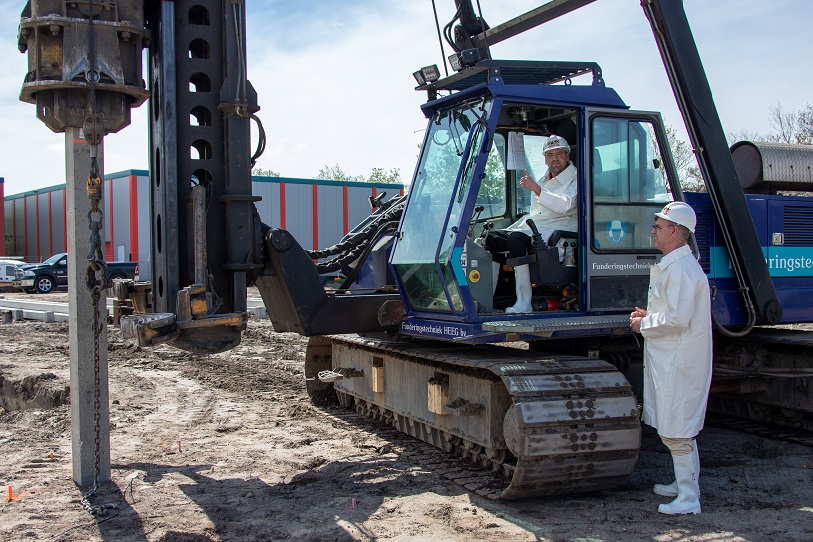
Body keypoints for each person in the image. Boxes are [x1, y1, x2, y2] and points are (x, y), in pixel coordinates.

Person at [629, 201, 713, 515]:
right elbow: (677, 314)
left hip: (680, 361)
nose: (653, 231)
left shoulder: (681, 269)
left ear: (675, 231)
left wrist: (643, 323)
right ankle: (683, 484)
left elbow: (678, 319)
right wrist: (651, 316)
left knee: (678, 429)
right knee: (677, 428)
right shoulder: (677, 265)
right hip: (674, 357)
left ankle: (689, 498)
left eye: (659, 226)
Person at [485, 134, 577, 313]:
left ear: (568, 156)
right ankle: (492, 298)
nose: (555, 159)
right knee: (492, 238)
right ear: (544, 159)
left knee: (517, 240)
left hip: (560, 232)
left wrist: (536, 189)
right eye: (550, 155)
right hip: (539, 227)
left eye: (559, 154)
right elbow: (537, 213)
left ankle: (524, 301)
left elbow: (565, 205)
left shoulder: (575, 179)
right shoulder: (544, 179)